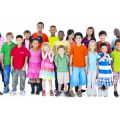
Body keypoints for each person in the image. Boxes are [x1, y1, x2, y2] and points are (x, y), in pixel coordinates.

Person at [69, 32, 88, 97]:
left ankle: (79, 90)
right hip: (75, 66)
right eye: (76, 38)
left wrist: (86, 66)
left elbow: (86, 57)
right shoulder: (73, 47)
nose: (78, 39)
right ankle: (71, 90)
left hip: (82, 66)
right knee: (74, 78)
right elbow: (71, 56)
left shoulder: (84, 47)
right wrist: (70, 65)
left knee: (82, 78)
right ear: (75, 39)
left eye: (79, 38)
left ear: (81, 39)